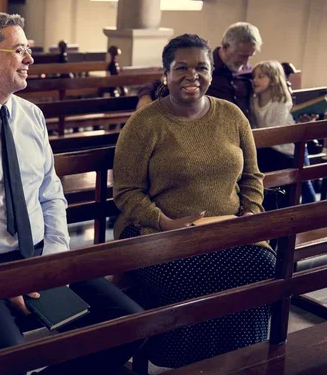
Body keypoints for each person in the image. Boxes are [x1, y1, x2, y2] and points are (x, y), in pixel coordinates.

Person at [0, 12, 144, 374]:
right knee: (11, 356)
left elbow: (51, 194)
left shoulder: (32, 116)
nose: (30, 59)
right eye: (19, 49)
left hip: (39, 256)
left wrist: (53, 259)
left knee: (130, 324)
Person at [114, 34, 276, 368]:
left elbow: (252, 177)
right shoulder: (145, 123)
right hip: (157, 230)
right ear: (165, 74)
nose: (193, 76)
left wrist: (250, 214)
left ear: (212, 72)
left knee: (261, 265)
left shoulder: (232, 116)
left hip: (228, 227)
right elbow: (126, 192)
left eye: (201, 67)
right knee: (187, 274)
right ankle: (183, 364)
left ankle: (240, 360)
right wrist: (165, 223)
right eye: (181, 68)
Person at [137, 22, 262, 119]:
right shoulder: (202, 66)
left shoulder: (248, 71)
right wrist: (145, 98)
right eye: (241, 55)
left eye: (250, 56)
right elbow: (158, 84)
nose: (246, 62)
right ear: (225, 47)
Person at [251, 60, 318, 203]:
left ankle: (313, 210)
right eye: (254, 76)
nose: (255, 80)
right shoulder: (254, 100)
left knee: (304, 183)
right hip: (273, 149)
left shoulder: (280, 102)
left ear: (273, 80)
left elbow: (280, 128)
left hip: (291, 149)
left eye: (261, 76)